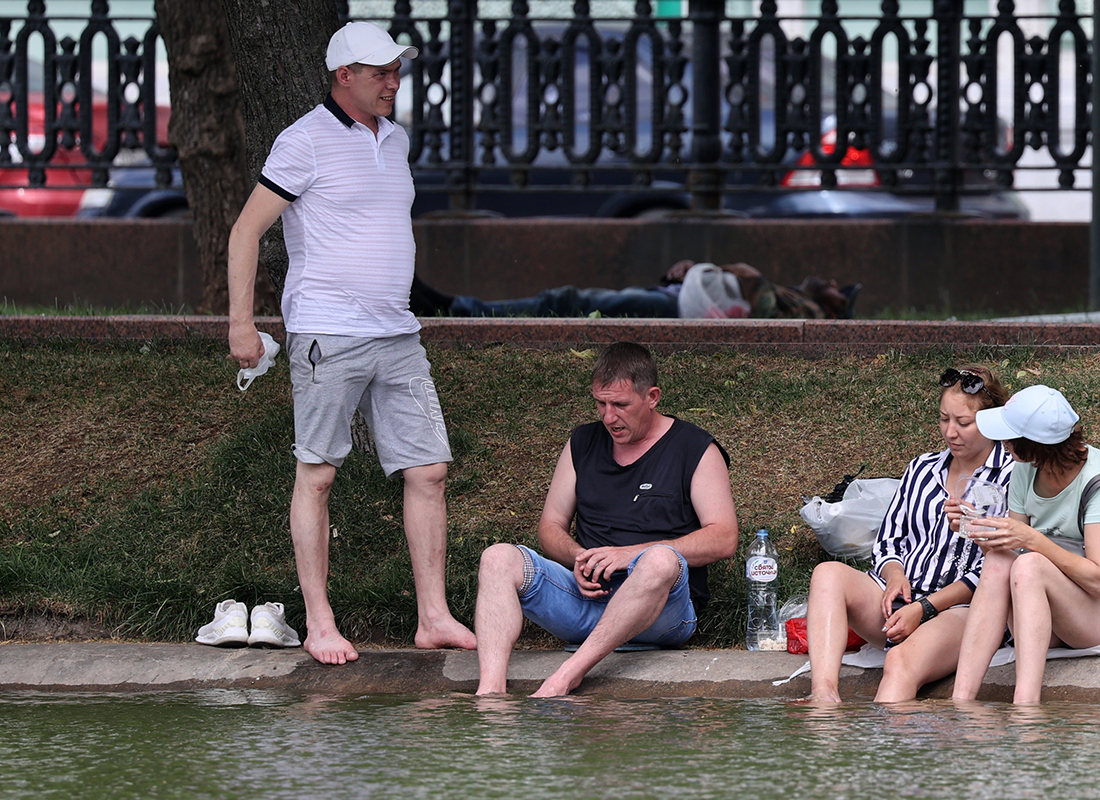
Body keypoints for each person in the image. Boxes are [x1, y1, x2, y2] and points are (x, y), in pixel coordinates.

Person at [226, 22, 476, 665]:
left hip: (399, 333)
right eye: (380, 72)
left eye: (397, 69)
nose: (394, 82)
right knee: (318, 474)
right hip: (327, 334)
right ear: (344, 77)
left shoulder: (395, 140)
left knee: (428, 470)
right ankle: (319, 624)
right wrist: (240, 324)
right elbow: (246, 231)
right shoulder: (303, 140)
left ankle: (433, 617)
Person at [473, 342, 739, 697]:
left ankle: (567, 675)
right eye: (601, 403)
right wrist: (579, 559)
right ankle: (490, 695)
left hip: (660, 612)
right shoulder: (582, 441)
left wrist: (630, 555)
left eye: (621, 405)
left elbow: (723, 538)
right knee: (497, 558)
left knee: (659, 560)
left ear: (653, 397)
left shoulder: (695, 448)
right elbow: (550, 527)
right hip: (585, 600)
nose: (609, 417)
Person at [804, 366, 1014, 703]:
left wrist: (925, 608)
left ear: (991, 421)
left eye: (963, 423)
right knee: (827, 574)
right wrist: (895, 575)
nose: (951, 432)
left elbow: (995, 570)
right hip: (899, 602)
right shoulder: (921, 468)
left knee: (899, 662)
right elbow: (888, 540)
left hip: (960, 609)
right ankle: (824, 694)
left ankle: (892, 753)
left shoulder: (1009, 477)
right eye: (944, 419)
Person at [950, 385, 1100, 705]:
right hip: (1054, 609)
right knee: (998, 562)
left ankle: (1025, 705)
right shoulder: (1024, 469)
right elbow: (1010, 551)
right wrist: (977, 531)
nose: (1002, 443)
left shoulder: (1097, 481)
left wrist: (1033, 540)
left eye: (1009, 436)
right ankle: (961, 702)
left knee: (1029, 565)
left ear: (1032, 446)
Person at [408, 261, 860, 319]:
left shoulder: (816, 315)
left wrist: (752, 276)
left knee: (572, 302)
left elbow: (764, 318)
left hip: (680, 314)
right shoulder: (799, 290)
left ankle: (460, 310)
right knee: (574, 298)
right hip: (679, 299)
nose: (832, 281)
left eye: (841, 290)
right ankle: (455, 306)